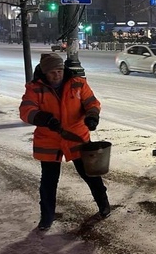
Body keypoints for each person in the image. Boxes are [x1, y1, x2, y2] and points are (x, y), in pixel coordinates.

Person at [19, 53, 110, 231]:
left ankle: (104, 205)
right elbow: (26, 110)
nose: (57, 75)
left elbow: (92, 102)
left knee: (90, 175)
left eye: (60, 70)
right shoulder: (34, 88)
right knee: (49, 181)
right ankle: (47, 217)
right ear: (45, 73)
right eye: (52, 72)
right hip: (49, 139)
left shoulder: (78, 83)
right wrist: (43, 118)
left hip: (76, 136)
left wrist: (92, 116)